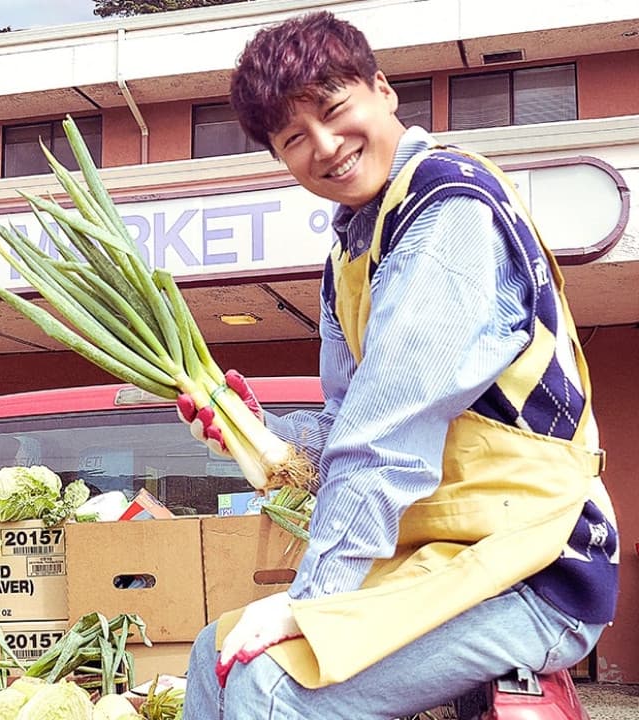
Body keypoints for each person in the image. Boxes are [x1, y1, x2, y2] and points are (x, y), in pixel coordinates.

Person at [176, 11, 618, 719]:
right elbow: (347, 422)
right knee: (214, 652)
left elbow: (385, 437)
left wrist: (313, 605)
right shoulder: (353, 247)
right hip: (450, 557)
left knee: (269, 686)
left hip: (536, 566)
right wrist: (255, 432)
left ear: (382, 90)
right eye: (294, 138)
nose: (325, 146)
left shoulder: (446, 209)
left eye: (333, 110)